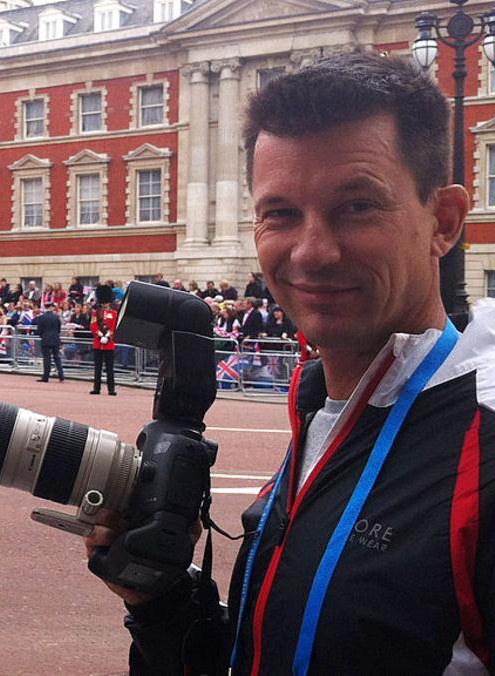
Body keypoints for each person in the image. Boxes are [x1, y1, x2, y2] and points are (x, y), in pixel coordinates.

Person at [90, 53, 495, 674]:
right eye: (280, 213)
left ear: (442, 222)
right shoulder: (320, 410)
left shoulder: (484, 447)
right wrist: (161, 601)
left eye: (357, 206)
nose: (312, 252)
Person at [89, 285, 116, 396]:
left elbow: (114, 327)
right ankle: (96, 388)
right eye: (103, 302)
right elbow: (93, 325)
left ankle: (111, 389)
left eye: (106, 302)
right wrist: (100, 335)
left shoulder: (114, 314)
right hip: (98, 344)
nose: (104, 304)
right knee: (97, 368)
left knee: (110, 368)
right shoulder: (96, 313)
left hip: (109, 344)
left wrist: (108, 336)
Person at [34, 302, 64, 383]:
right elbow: (59, 329)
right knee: (57, 357)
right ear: (52, 307)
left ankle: (45, 376)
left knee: (47, 358)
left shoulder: (41, 317)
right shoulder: (56, 317)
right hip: (55, 338)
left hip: (45, 339)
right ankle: (61, 376)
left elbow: (39, 330)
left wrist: (42, 335)